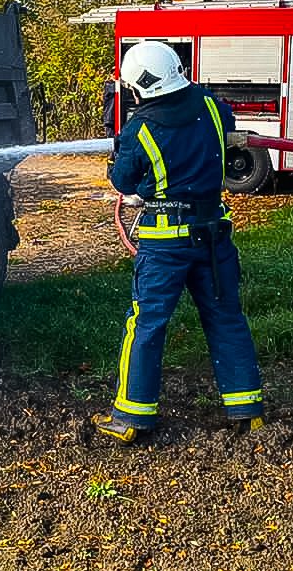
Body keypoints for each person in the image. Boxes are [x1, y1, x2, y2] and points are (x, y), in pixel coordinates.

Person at [92, 41, 265, 444]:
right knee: (226, 318)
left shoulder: (141, 127)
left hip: (166, 243)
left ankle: (132, 416)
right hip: (213, 235)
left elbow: (122, 182)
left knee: (147, 324)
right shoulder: (211, 106)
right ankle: (247, 411)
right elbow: (220, 135)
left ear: (138, 86)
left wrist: (127, 172)